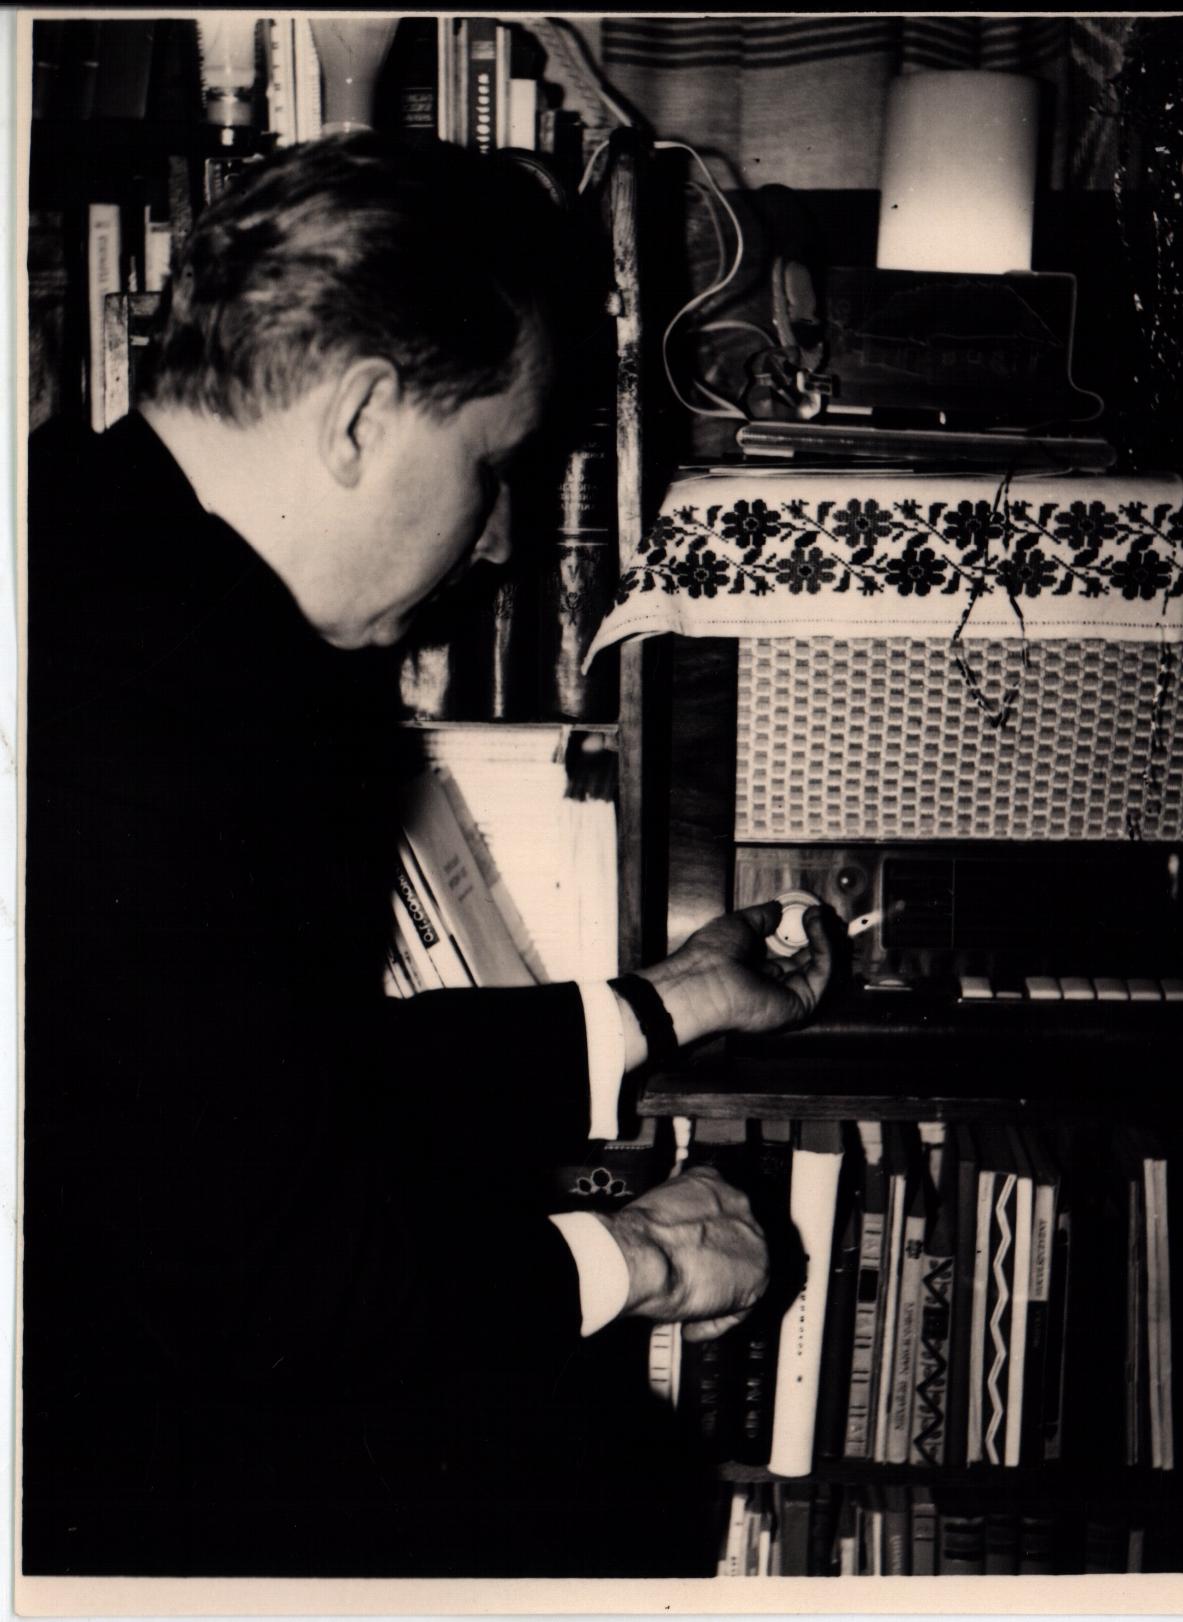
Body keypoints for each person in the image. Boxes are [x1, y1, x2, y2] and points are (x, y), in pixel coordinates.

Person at [23, 133, 835, 1579]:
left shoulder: (98, 553)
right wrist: (639, 1259)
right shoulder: (146, 716)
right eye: (492, 463)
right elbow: (267, 1284)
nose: (497, 535)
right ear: (359, 417)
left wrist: (662, 1007)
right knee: (611, 1490)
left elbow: (268, 1085)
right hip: (78, 1471)